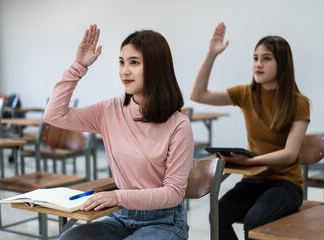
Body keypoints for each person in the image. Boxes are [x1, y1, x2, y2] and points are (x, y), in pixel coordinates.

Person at [43, 24, 194, 240]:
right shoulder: (109, 110)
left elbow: (174, 193)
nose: (124, 71)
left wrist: (117, 196)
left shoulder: (179, 125)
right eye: (121, 62)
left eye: (134, 62)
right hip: (120, 217)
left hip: (164, 221)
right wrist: (78, 66)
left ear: (156, 67)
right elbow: (53, 115)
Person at [190, 22, 310, 240]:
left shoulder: (298, 103)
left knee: (255, 221)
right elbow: (198, 95)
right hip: (253, 180)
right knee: (217, 214)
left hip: (286, 184)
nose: (258, 64)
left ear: (282, 64)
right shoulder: (246, 93)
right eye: (255, 58)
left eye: (266, 58)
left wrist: (250, 161)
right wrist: (211, 54)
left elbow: (290, 153)